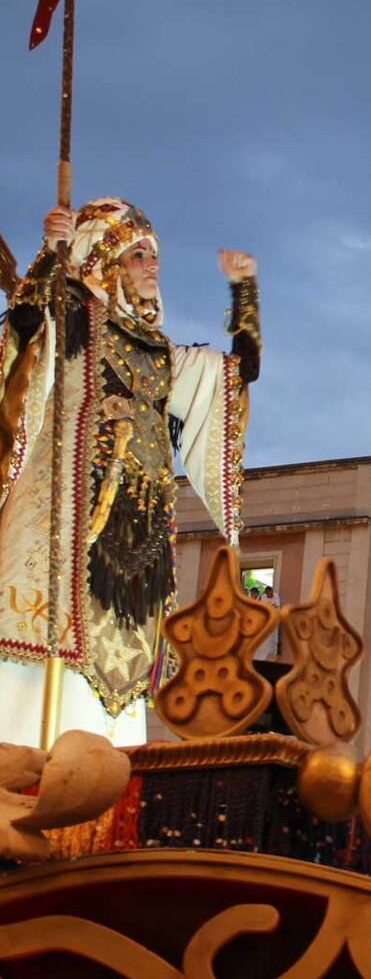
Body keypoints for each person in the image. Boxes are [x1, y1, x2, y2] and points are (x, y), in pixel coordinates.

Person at [0, 200, 259, 748]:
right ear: (104, 260)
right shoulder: (72, 317)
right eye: (137, 253)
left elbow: (239, 374)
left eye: (153, 255)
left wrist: (245, 294)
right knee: (41, 656)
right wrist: (52, 250)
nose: (151, 265)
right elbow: (26, 319)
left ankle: (104, 780)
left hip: (137, 535)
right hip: (65, 514)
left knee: (119, 685)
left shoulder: (163, 353)